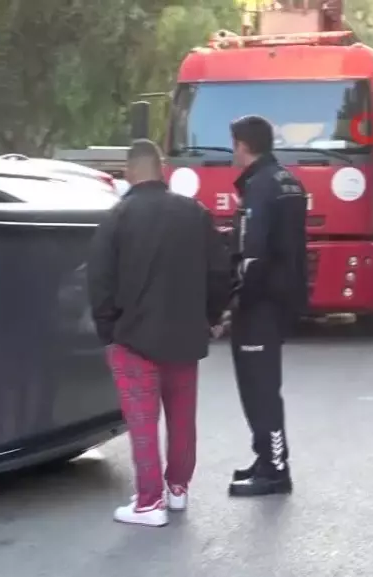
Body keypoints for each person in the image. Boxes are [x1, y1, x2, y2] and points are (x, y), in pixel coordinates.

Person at [87, 139, 232, 526]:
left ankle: (149, 503)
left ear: (131, 172)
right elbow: (220, 271)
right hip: (185, 336)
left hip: (133, 338)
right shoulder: (194, 214)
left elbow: (99, 281)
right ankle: (178, 490)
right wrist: (212, 315)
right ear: (163, 168)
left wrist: (108, 330)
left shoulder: (116, 217)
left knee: (143, 421)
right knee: (182, 418)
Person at [220, 115, 308, 498]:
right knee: (262, 386)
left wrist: (233, 299)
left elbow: (253, 255)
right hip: (281, 298)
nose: (232, 152)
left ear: (243, 145)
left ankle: (275, 469)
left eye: (233, 144)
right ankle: (265, 458)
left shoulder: (259, 187)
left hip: (260, 303)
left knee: (260, 389)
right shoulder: (288, 181)